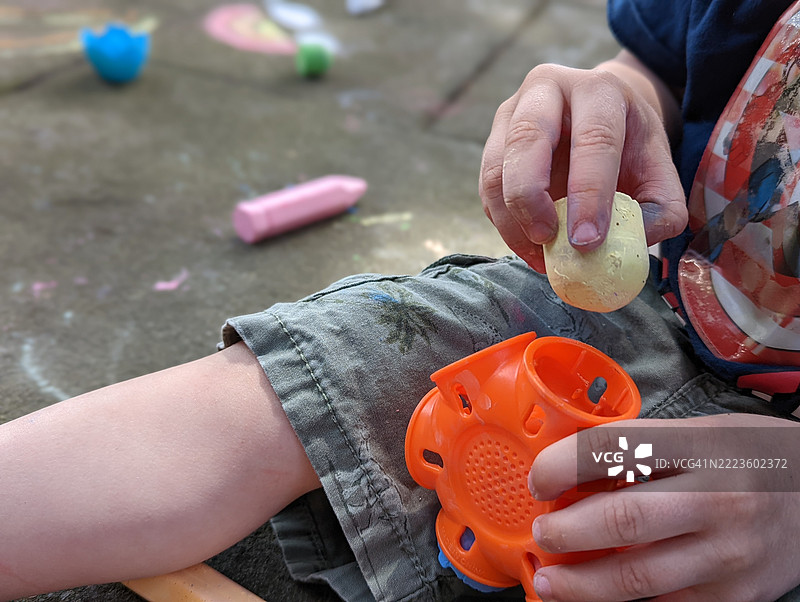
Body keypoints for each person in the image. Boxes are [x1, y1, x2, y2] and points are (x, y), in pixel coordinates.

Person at [1, 1, 799, 601]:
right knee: (324, 377)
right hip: (655, 316)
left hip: (776, 461)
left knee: (610, 548)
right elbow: (659, 63)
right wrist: (615, 102)